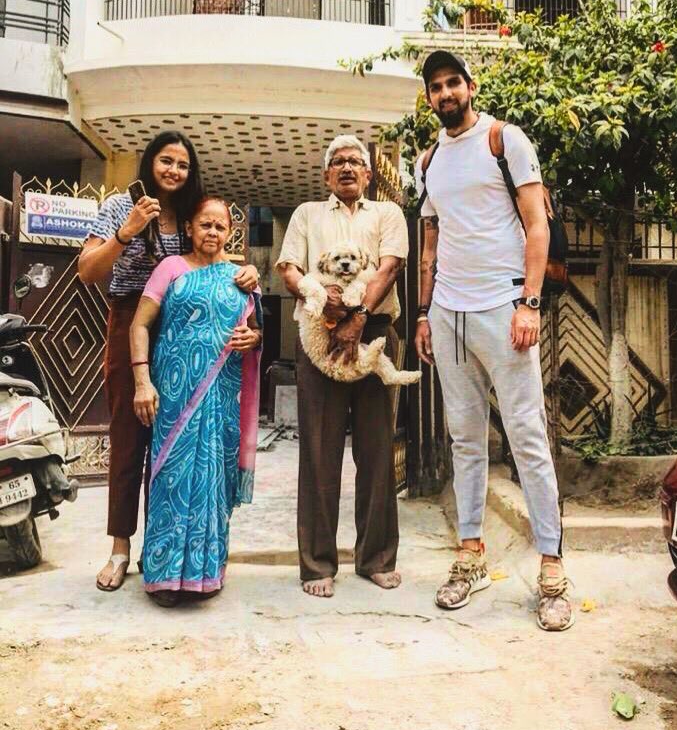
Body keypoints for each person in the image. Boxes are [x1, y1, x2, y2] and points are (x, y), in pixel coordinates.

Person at [414, 50, 573, 632]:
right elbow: (432, 242)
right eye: (436, 87)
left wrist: (529, 302)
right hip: (450, 313)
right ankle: (472, 554)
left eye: (453, 82)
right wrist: (427, 312)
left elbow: (538, 224)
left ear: (470, 86)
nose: (446, 93)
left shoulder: (505, 140)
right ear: (429, 97)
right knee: (465, 439)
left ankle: (552, 566)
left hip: (504, 309)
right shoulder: (428, 158)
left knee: (528, 436)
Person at [78, 132, 258, 592]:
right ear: (149, 163)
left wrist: (248, 272)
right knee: (130, 438)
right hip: (131, 320)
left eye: (182, 163)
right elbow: (88, 270)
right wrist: (128, 231)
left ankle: (173, 553)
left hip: (187, 332)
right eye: (166, 161)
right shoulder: (122, 206)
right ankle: (120, 550)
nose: (174, 171)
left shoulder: (192, 215)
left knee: (180, 448)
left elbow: (213, 264)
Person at [276, 136, 409, 598]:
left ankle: (375, 558)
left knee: (376, 452)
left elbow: (390, 267)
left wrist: (356, 318)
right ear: (327, 175)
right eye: (338, 162)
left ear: (370, 174)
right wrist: (319, 297)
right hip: (317, 340)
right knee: (318, 452)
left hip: (373, 334)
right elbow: (288, 267)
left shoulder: (386, 214)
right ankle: (316, 565)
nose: (348, 167)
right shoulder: (307, 214)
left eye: (356, 161)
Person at [130, 197, 262, 607]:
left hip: (221, 397)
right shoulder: (170, 269)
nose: (213, 233)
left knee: (213, 481)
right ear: (190, 227)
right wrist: (141, 380)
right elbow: (139, 325)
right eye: (205, 224)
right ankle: (165, 574)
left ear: (230, 232)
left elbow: (255, 331)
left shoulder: (242, 277)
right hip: (173, 395)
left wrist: (253, 339)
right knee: (171, 478)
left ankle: (207, 571)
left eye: (220, 227)